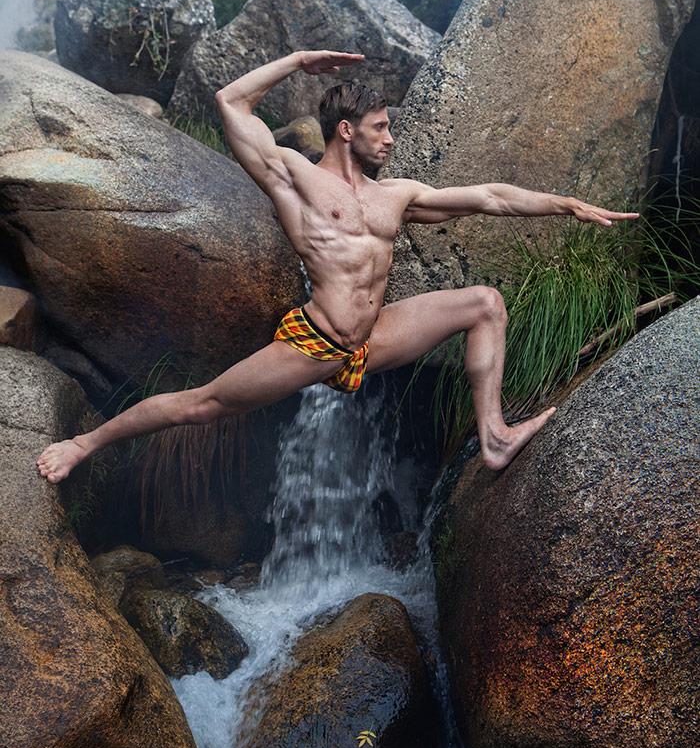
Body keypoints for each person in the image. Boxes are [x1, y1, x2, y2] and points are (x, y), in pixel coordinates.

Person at [36, 50, 638, 483]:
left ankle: (495, 437)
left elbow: (491, 198)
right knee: (204, 404)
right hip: (316, 343)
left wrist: (563, 204)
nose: (390, 139)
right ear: (346, 131)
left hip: (373, 340)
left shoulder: (395, 195)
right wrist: (299, 61)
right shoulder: (295, 177)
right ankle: (86, 443)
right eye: (381, 128)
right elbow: (231, 102)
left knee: (485, 304)